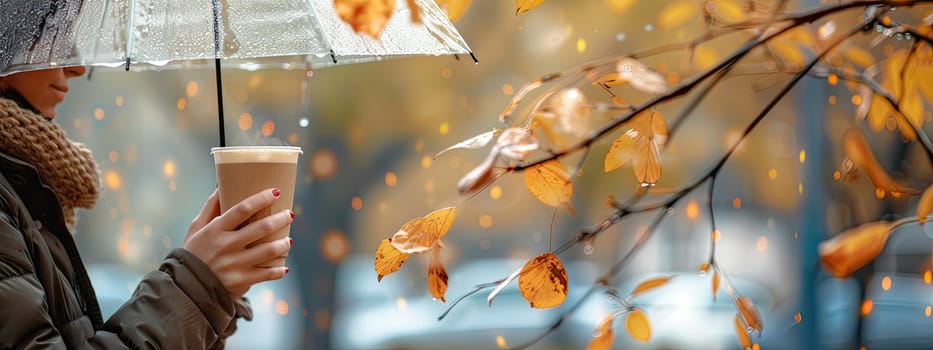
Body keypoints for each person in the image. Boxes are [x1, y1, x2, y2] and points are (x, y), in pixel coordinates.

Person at [0, 66, 293, 348]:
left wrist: (212, 294)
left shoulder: (25, 187)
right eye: (56, 34)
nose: (76, 66)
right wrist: (194, 286)